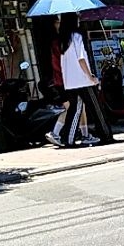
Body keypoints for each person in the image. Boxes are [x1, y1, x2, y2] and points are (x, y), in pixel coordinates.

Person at [47, 14, 100, 148]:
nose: (57, 25)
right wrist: (89, 76)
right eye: (56, 22)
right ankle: (56, 132)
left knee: (78, 108)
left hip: (65, 81)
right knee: (73, 108)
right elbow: (77, 60)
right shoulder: (66, 40)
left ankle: (84, 134)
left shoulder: (61, 41)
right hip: (65, 81)